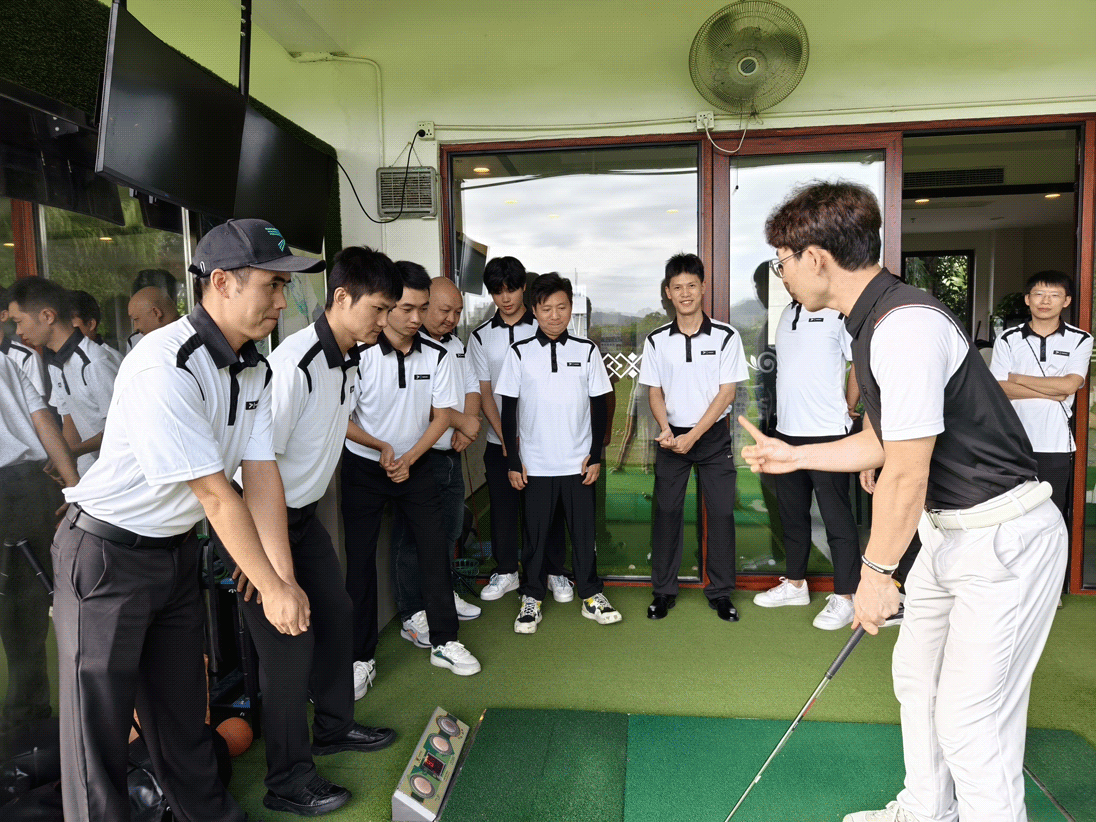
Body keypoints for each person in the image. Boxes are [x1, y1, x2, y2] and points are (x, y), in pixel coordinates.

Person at [741, 182, 1065, 822]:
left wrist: (876, 574)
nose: (781, 274)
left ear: (816, 259)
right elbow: (881, 442)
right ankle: (926, 809)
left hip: (1002, 538)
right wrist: (798, 454)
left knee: (972, 718)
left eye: (782, 260)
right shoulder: (870, 319)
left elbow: (906, 473)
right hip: (954, 537)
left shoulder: (904, 326)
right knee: (917, 680)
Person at [53, 218, 314, 822]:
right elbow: (216, 494)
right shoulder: (163, 363)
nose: (282, 300)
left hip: (171, 556)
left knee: (180, 715)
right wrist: (271, 590)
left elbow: (260, 475)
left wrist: (282, 575)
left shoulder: (253, 367)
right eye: (272, 286)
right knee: (98, 737)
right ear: (221, 282)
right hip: (105, 560)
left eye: (284, 288)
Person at [216, 246, 401, 816]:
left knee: (338, 614)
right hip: (259, 524)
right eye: (378, 308)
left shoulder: (347, 357)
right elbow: (255, 465)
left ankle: (334, 727)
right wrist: (269, 569)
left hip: (303, 516)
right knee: (288, 648)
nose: (385, 320)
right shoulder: (293, 365)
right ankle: (288, 781)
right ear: (341, 298)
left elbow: (333, 425)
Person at [341, 262, 481, 678]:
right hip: (364, 469)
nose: (416, 318)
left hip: (415, 467)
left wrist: (409, 459)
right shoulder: (357, 355)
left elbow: (442, 416)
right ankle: (360, 658)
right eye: (406, 308)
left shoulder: (437, 353)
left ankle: (444, 641)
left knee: (434, 551)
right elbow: (341, 419)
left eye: (422, 308)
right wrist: (382, 448)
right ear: (386, 307)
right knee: (360, 563)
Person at [497, 272, 619, 632]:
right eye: (546, 308)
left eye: (561, 307)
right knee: (534, 537)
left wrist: (595, 454)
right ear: (534, 309)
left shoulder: (587, 351)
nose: (554, 315)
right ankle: (531, 597)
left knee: (583, 534)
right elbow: (508, 410)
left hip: (578, 462)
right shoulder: (519, 353)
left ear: (571, 309)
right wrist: (513, 461)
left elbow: (599, 405)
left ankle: (591, 595)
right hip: (535, 465)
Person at [639, 254, 748, 623]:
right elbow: (654, 391)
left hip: (712, 438)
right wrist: (668, 430)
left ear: (703, 288)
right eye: (677, 287)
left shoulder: (726, 336)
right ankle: (663, 592)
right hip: (672, 440)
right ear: (668, 293)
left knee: (720, 513)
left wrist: (694, 436)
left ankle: (719, 593)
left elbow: (727, 394)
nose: (685, 293)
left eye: (692, 285)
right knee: (667, 512)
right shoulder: (656, 340)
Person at [467, 257, 572, 603]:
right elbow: (484, 390)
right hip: (501, 441)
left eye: (511, 288)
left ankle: (554, 572)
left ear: (523, 287)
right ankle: (508, 571)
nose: (506, 297)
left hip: (543, 441)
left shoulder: (543, 327)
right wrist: (505, 437)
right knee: (503, 509)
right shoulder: (480, 337)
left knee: (548, 510)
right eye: (497, 291)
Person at [753, 295, 861, 630]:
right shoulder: (786, 313)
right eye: (781, 268)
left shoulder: (839, 312)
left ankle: (845, 596)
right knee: (792, 516)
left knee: (835, 518)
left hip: (829, 432)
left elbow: (859, 363)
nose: (786, 276)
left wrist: (847, 405)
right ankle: (796, 585)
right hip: (787, 432)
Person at [390, 272, 483, 650]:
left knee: (449, 530)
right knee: (413, 541)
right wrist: (466, 422)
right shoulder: (411, 346)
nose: (451, 318)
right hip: (420, 457)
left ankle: (442, 596)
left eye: (458, 312)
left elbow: (472, 387)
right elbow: (429, 407)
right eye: (444, 310)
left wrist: (468, 428)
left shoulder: (456, 344)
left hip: (451, 454)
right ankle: (415, 611)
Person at [0, 353, 78, 749]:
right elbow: (43, 421)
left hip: (14, 489)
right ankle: (28, 723)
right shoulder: (5, 362)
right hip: (28, 486)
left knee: (23, 613)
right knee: (28, 615)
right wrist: (73, 484)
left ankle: (23, 726)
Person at [990, 270, 1091, 522]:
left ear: (1066, 301)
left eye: (1054, 295)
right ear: (1028, 299)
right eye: (1039, 294)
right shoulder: (1008, 339)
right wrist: (1052, 390)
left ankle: (1054, 564)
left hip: (1055, 443)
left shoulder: (1081, 339)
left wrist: (1017, 377)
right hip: (1012, 443)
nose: (1045, 301)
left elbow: (1070, 385)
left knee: (1052, 517)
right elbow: (999, 388)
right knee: (1011, 517)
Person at [7, 278, 119, 476]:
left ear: (48, 316)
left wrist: (69, 453)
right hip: (92, 473)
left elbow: (120, 429)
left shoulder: (94, 362)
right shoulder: (56, 363)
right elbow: (69, 420)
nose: (18, 331)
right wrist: (69, 468)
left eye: (19, 321)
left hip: (119, 473)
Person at [69, 289, 123, 365]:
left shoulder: (106, 359)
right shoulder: (64, 358)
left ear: (90, 324)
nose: (65, 334)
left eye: (72, 329)